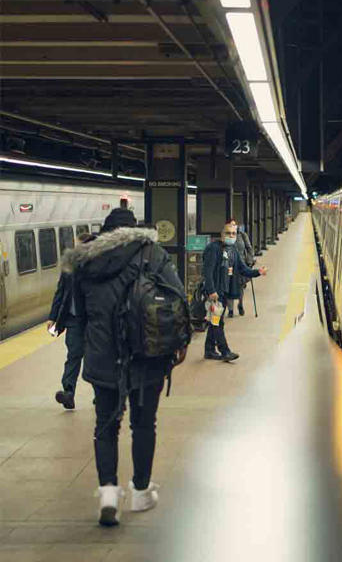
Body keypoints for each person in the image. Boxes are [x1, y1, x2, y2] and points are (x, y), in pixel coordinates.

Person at [63, 207, 188, 526]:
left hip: (102, 356)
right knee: (144, 424)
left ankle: (108, 495)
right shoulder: (152, 253)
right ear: (134, 229)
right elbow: (177, 298)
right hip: (146, 355)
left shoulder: (85, 261)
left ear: (104, 231)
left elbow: (81, 314)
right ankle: (141, 491)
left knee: (106, 425)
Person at [202, 221, 267, 361]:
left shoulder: (233, 251)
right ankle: (225, 351)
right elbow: (207, 272)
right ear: (221, 234)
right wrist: (211, 290)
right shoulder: (213, 249)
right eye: (228, 233)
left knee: (215, 321)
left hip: (224, 292)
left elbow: (243, 269)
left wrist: (258, 272)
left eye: (233, 233)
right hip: (215, 294)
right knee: (217, 322)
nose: (231, 235)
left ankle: (209, 350)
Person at [48, 232, 95, 409]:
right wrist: (53, 316)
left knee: (95, 357)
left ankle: (101, 394)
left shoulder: (98, 267)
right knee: (73, 355)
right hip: (74, 319)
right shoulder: (69, 266)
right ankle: (68, 392)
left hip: (94, 320)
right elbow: (61, 292)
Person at [226, 219, 255, 317]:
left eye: (234, 225)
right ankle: (230, 309)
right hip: (229, 265)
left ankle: (240, 304)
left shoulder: (243, 235)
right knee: (229, 285)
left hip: (241, 264)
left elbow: (249, 248)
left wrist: (249, 261)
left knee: (240, 285)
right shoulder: (226, 236)